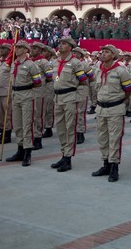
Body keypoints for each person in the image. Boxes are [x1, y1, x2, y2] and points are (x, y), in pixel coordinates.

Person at [91, 44, 131, 182]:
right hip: (101, 108)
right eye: (102, 51)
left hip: (115, 108)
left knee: (114, 138)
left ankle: (114, 166)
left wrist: (118, 100)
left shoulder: (121, 70)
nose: (102, 54)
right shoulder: (98, 70)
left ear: (113, 55)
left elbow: (128, 90)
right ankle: (106, 164)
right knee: (102, 138)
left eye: (106, 52)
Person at [50, 37, 88, 173]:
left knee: (69, 127)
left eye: (64, 44)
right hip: (58, 97)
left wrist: (76, 95)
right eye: (60, 43)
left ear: (70, 47)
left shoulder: (75, 63)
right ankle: (63, 154)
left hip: (70, 97)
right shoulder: (56, 62)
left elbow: (83, 81)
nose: (60, 46)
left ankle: (68, 158)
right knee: (60, 128)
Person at [5, 41, 43, 167]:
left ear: (26, 50)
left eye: (20, 47)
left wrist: (26, 87)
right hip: (15, 95)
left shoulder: (30, 64)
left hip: (26, 95)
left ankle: (27, 152)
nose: (17, 49)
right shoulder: (14, 64)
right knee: (18, 125)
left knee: (27, 125)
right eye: (16, 47)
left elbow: (38, 81)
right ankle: (20, 149)